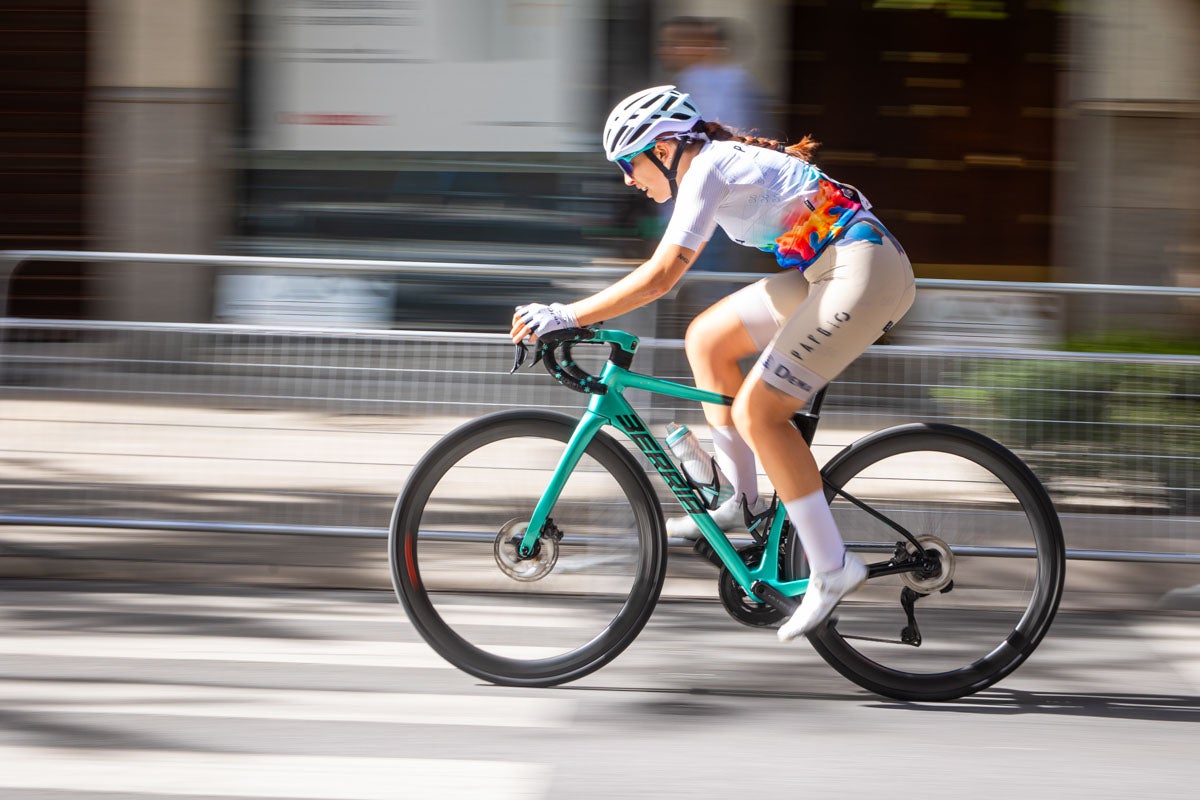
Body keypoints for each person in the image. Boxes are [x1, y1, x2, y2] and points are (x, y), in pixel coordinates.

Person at [510, 86, 916, 641]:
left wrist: (566, 313)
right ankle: (740, 501)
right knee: (707, 339)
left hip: (862, 269)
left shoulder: (708, 167)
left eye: (630, 163)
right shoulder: (709, 165)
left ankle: (831, 565)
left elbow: (660, 278)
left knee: (760, 412)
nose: (628, 179)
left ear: (666, 147)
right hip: (833, 268)